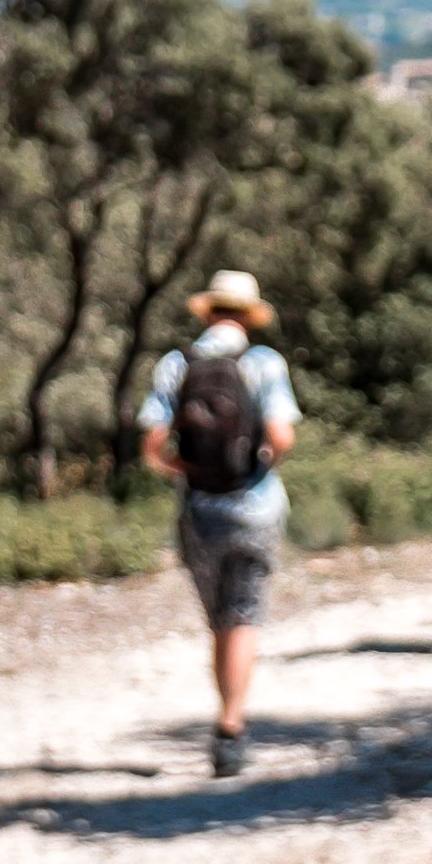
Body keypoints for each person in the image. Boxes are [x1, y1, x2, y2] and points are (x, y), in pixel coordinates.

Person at [140, 268, 299, 775]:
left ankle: (225, 714)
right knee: (244, 616)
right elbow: (283, 437)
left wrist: (186, 471)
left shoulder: (175, 364)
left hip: (200, 513)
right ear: (249, 317)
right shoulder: (263, 362)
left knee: (218, 622)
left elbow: (151, 446)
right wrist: (254, 464)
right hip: (256, 508)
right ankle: (231, 729)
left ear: (207, 311)